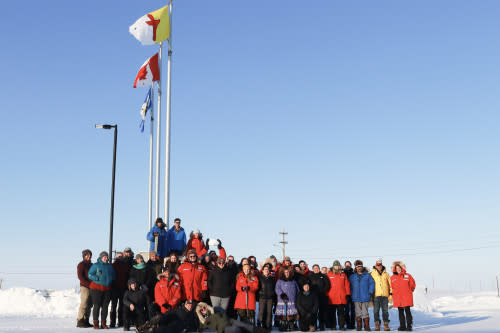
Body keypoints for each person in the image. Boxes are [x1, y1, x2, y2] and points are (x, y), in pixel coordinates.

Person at [195, 302, 269, 333]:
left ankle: (262, 331)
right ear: (200, 312)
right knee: (236, 329)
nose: (203, 310)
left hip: (229, 321)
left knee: (245, 325)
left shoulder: (214, 310)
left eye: (204, 307)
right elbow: (202, 329)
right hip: (223, 329)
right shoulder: (203, 320)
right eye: (201, 310)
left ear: (206, 306)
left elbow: (224, 316)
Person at [88, 251, 116, 329]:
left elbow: (113, 275)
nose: (106, 258)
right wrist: (96, 278)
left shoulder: (110, 266)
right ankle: (96, 323)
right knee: (96, 306)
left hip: (107, 289)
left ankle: (103, 323)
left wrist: (112, 279)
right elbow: (90, 274)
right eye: (104, 257)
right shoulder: (96, 265)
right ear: (101, 257)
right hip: (96, 288)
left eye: (107, 257)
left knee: (105, 306)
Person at [349, 260, 374, 331]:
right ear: (355, 268)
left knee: (365, 312)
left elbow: (372, 283)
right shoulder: (352, 276)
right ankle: (359, 326)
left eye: (360, 266)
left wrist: (370, 292)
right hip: (356, 297)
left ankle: (367, 326)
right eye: (357, 267)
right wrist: (351, 293)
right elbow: (349, 286)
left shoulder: (367, 275)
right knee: (358, 312)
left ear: (362, 267)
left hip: (365, 296)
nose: (359, 268)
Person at [390, 261, 416, 332]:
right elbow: (391, 287)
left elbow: (412, 284)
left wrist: (410, 290)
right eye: (397, 268)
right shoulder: (392, 277)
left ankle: (409, 326)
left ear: (402, 268)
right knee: (400, 312)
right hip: (398, 297)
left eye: (399, 268)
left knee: (407, 311)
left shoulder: (408, 275)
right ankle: (402, 326)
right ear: (395, 269)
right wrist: (392, 293)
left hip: (406, 297)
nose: (398, 269)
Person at [326, 260, 350, 331]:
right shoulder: (329, 275)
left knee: (341, 314)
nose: (337, 267)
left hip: (341, 298)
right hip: (332, 298)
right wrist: (326, 295)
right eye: (336, 265)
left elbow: (347, 285)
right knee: (332, 314)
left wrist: (348, 294)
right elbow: (326, 286)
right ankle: (333, 326)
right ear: (333, 266)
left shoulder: (343, 275)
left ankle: (341, 326)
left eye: (338, 265)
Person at [275, 266, 300, 331]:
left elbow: (297, 289)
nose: (287, 274)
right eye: (285, 272)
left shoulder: (293, 281)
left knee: (292, 313)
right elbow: (277, 289)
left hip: (292, 300)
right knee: (284, 313)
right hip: (283, 300)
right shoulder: (280, 281)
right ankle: (284, 324)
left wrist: (298, 296)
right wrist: (282, 294)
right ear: (283, 273)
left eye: (288, 272)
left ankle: (292, 324)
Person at [370, 258, 391, 331]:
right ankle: (377, 325)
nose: (379, 266)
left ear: (382, 265)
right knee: (376, 311)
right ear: (375, 265)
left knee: (385, 311)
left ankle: (386, 325)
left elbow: (390, 284)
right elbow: (370, 284)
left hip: (385, 295)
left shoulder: (386, 274)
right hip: (376, 295)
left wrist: (390, 294)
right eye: (377, 264)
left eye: (380, 264)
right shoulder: (372, 274)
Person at [111, 251, 130, 328]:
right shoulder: (113, 265)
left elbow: (128, 276)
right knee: (114, 306)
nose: (120, 257)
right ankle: (112, 322)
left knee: (122, 306)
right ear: (116, 257)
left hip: (123, 288)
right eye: (118, 256)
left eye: (121, 256)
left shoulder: (126, 266)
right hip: (114, 288)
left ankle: (121, 321)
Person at [308, 264, 330, 331]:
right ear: (312, 269)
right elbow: (307, 285)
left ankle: (321, 325)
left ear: (319, 269)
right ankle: (313, 325)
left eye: (317, 268)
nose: (316, 269)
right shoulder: (310, 276)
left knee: (322, 312)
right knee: (314, 311)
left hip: (322, 296)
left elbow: (327, 285)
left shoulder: (323, 276)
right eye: (314, 268)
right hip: (313, 297)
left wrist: (322, 291)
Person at [77, 249, 93, 328]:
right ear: (84, 256)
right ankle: (80, 320)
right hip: (84, 286)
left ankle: (86, 320)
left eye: (90, 255)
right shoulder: (81, 264)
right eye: (87, 255)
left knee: (90, 304)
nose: (89, 256)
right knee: (84, 302)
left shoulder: (92, 265)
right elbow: (80, 276)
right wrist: (88, 284)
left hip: (92, 287)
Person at [257, 264, 276, 329]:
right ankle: (259, 324)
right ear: (262, 270)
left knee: (269, 312)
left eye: (267, 270)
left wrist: (273, 295)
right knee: (261, 312)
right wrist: (259, 294)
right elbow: (257, 287)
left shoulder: (272, 279)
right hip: (262, 297)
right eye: (265, 269)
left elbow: (274, 288)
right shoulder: (260, 278)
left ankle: (268, 325)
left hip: (270, 298)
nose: (266, 270)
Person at [343, 261, 356, 330]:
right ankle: (347, 324)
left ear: (351, 265)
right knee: (346, 310)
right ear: (345, 266)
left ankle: (352, 324)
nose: (347, 266)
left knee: (353, 310)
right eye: (346, 265)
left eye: (349, 265)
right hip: (345, 294)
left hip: (353, 293)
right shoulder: (342, 273)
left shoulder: (353, 273)